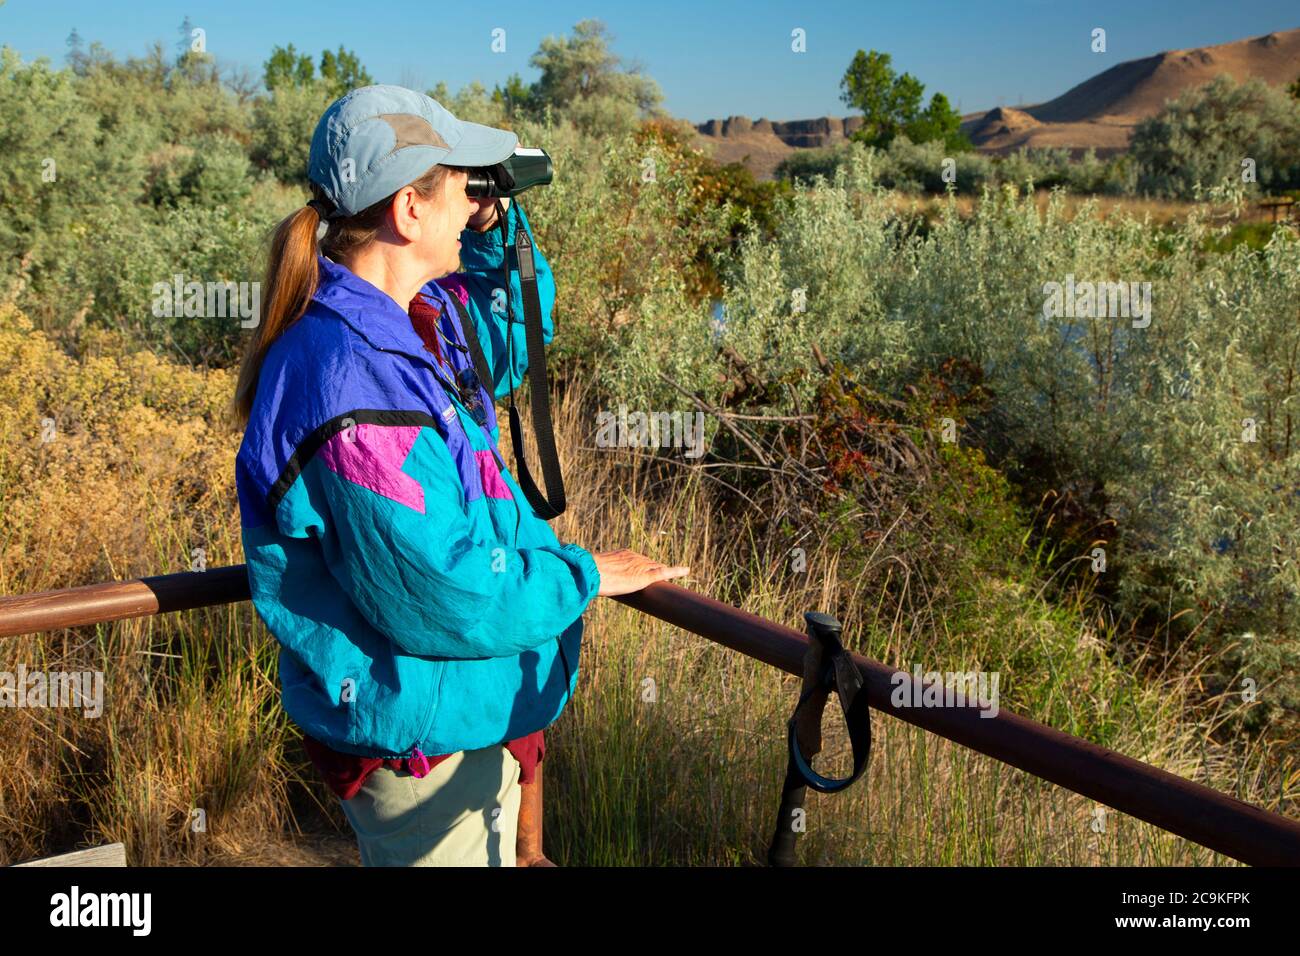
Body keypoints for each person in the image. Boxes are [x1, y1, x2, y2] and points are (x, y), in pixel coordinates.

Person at [230, 85, 687, 866]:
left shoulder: (419, 317)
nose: (474, 195)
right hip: (418, 732)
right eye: (461, 183)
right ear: (409, 209)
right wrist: (577, 576)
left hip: (462, 709)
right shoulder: (349, 384)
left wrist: (493, 221)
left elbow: (516, 333)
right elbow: (441, 594)